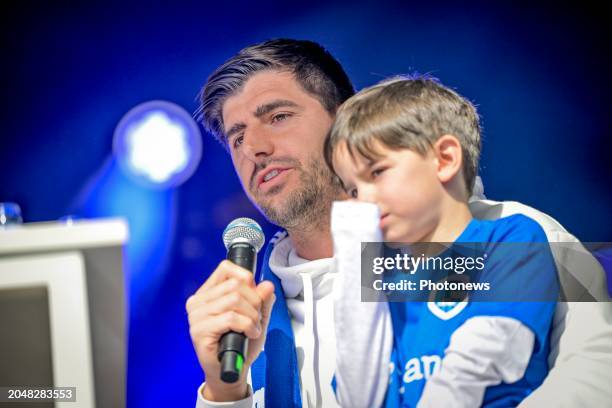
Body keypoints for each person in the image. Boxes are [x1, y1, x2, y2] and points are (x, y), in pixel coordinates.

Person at [187, 38, 612, 407]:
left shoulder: (512, 233)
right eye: (237, 137)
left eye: (278, 116)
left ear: (344, 119)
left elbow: (599, 375)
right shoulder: (243, 318)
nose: (254, 148)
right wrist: (224, 393)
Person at [325, 75, 559, 407]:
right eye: (351, 190)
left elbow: (488, 351)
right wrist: (353, 259)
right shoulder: (380, 284)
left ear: (445, 158)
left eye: (376, 172)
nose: (361, 200)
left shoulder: (511, 238)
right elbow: (356, 395)